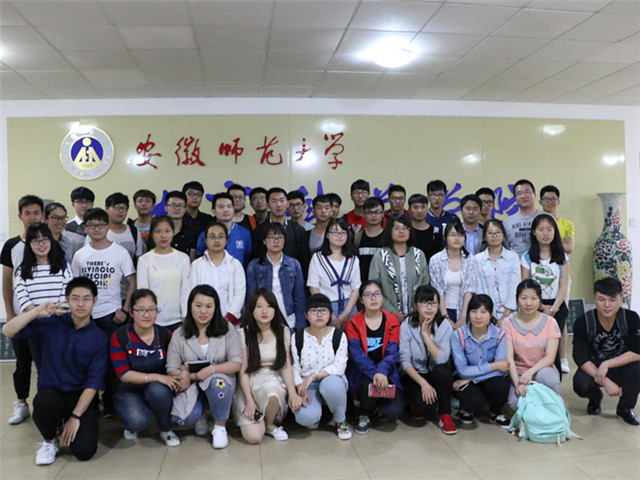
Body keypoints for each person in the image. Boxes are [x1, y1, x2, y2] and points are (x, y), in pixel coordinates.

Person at [2, 277, 108, 465]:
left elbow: (93, 383)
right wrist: (36, 312)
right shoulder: (52, 323)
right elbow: (8, 331)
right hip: (52, 393)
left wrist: (75, 417)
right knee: (44, 403)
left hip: (79, 397)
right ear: (67, 300)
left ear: (95, 301)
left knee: (84, 451)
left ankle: (68, 421)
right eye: (75, 298)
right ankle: (50, 440)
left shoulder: (99, 338)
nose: (80, 304)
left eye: (86, 299)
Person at [72, 207, 136, 417]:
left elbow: (132, 280)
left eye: (100, 224)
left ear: (107, 227)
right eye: (92, 225)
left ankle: (110, 404)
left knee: (112, 362)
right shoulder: (80, 254)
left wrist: (125, 309)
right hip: (85, 317)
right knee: (85, 361)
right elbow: (75, 286)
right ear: (85, 228)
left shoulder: (120, 252)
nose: (96, 228)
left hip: (111, 316)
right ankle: (89, 404)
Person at [166, 285, 243, 448]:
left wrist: (212, 370)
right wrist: (185, 373)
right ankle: (201, 414)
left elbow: (236, 363)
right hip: (190, 385)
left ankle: (220, 427)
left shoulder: (227, 329)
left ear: (216, 308)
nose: (203, 311)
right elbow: (171, 368)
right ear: (190, 306)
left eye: (209, 306)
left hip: (219, 380)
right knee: (183, 419)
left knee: (218, 383)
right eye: (198, 306)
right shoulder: (179, 333)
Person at [110, 289, 181, 446]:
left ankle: (166, 429)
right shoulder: (120, 336)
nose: (147, 315)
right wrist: (156, 376)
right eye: (141, 310)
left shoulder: (165, 334)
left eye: (151, 309)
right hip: (128, 387)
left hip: (156, 387)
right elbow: (123, 373)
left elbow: (178, 361)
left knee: (159, 391)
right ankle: (133, 418)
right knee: (137, 421)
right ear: (131, 312)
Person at [233, 289, 304, 444]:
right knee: (254, 438)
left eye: (269, 306)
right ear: (251, 310)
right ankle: (259, 419)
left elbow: (286, 365)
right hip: (250, 382)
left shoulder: (283, 331)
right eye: (259, 307)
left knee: (272, 392)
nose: (264, 311)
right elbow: (243, 371)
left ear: (275, 309)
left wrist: (292, 392)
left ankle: (270, 424)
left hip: (273, 379)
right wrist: (249, 401)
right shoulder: (242, 334)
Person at [572, 278, 640, 425]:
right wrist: (605, 381)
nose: (607, 305)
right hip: (594, 367)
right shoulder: (583, 322)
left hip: (622, 366)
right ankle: (595, 398)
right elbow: (580, 356)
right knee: (581, 384)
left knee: (638, 370)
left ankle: (625, 407)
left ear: (621, 299)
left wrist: (607, 364)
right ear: (594, 299)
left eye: (612, 300)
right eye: (601, 299)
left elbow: (637, 351)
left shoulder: (631, 318)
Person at [1, 194, 43, 425]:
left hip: (45, 315)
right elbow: (7, 281)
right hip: (20, 316)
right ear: (20, 216)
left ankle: (46, 402)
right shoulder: (12, 245)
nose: (32, 217)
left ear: (42, 215)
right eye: (27, 213)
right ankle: (21, 403)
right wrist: (10, 312)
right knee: (23, 362)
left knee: (46, 362)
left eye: (36, 213)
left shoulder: (48, 242)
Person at [345, 280, 404, 434]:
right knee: (367, 385)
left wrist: (382, 371)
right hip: (363, 373)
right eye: (368, 295)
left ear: (382, 297)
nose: (373, 298)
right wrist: (376, 373)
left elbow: (393, 351)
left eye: (377, 294)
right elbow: (357, 355)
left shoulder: (392, 320)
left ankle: (377, 407)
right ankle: (364, 414)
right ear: (361, 299)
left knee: (393, 412)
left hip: (388, 372)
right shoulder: (352, 322)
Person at [291, 294, 352, 440]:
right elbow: (294, 368)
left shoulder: (338, 335)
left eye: (324, 310)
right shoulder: (298, 337)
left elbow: (339, 367)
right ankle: (317, 413)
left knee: (332, 384)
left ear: (330, 314)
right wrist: (299, 387)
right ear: (306, 315)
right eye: (314, 310)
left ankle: (340, 421)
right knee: (306, 418)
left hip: (332, 381)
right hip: (307, 385)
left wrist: (314, 375)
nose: (319, 314)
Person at [14, 223, 72, 368]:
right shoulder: (22, 271)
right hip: (36, 326)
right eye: (36, 241)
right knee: (42, 368)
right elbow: (23, 299)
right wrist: (38, 313)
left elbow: (68, 294)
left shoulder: (63, 266)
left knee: (63, 366)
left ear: (51, 241)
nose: (41, 244)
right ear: (29, 244)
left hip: (60, 325)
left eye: (45, 239)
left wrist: (54, 312)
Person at [399, 286, 456, 434]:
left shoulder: (444, 325)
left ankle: (445, 414)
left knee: (443, 371)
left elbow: (442, 359)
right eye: (425, 303)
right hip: (416, 374)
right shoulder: (406, 325)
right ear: (415, 305)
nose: (430, 307)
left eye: (434, 303)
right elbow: (405, 361)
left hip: (436, 373)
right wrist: (424, 384)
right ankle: (420, 404)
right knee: (422, 402)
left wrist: (425, 335)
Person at [450, 294, 510, 428]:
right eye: (474, 311)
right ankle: (466, 408)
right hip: (464, 379)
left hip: (477, 379)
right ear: (468, 313)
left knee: (501, 385)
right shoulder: (458, 335)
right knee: (474, 403)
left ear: (491, 314)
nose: (478, 316)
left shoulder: (500, 335)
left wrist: (472, 379)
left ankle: (495, 414)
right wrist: (494, 365)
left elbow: (501, 370)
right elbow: (462, 371)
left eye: (483, 312)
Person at [521, 213, 570, 374]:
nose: (545, 233)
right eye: (541, 229)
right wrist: (541, 307)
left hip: (557, 306)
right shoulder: (527, 257)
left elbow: (563, 285)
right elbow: (525, 285)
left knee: (553, 348)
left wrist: (553, 309)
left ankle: (555, 384)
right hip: (534, 306)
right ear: (534, 232)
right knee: (536, 347)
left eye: (549, 229)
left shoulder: (562, 257)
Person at [502, 279, 561, 410]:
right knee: (516, 403)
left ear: (540, 300)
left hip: (542, 369)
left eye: (533, 298)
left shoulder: (550, 322)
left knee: (548, 379)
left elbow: (550, 357)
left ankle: (553, 403)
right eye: (523, 298)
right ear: (517, 299)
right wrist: (517, 383)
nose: (528, 303)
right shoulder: (508, 323)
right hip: (518, 373)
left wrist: (530, 372)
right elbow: (509, 357)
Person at [370, 214, 430, 323]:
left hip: (417, 315)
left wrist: (418, 308)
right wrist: (392, 311)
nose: (401, 231)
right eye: (397, 228)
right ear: (389, 231)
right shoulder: (380, 256)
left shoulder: (419, 255)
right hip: (387, 316)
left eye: (405, 228)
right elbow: (374, 288)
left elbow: (425, 284)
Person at [246, 223, 306, 331]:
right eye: (272, 238)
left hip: (289, 319)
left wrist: (300, 325)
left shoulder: (294, 264)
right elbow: (251, 298)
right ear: (264, 241)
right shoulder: (254, 265)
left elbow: (299, 298)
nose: (276, 241)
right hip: (263, 319)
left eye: (280, 238)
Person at [136, 215, 191, 331]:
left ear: (173, 232)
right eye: (158, 231)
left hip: (178, 321)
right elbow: (143, 293)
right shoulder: (144, 260)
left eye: (167, 231)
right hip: (153, 321)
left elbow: (186, 290)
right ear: (152, 234)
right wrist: (146, 317)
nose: (163, 236)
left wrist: (186, 316)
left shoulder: (183, 259)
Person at [308, 218, 361, 327]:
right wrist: (329, 313)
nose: (339, 236)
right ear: (327, 235)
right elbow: (313, 287)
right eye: (335, 232)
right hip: (324, 307)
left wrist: (345, 314)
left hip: (349, 307)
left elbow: (356, 288)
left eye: (343, 232)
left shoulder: (353, 259)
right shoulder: (317, 258)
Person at [190, 222, 245, 326]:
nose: (217, 240)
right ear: (205, 240)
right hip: (202, 321)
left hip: (230, 322)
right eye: (212, 237)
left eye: (221, 236)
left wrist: (228, 318)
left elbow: (240, 294)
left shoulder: (235, 264)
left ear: (226, 240)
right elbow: (192, 294)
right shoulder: (196, 265)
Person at [429, 221, 480, 327]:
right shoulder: (436, 260)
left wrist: (463, 317)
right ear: (445, 237)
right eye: (453, 235)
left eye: (460, 235)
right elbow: (438, 290)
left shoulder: (471, 260)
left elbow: (469, 290)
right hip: (443, 309)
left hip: (466, 310)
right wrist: (445, 317)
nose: (457, 238)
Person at [252, 188, 309, 272]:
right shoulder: (258, 231)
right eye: (274, 201)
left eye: (282, 201)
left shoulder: (298, 229)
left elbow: (304, 260)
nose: (279, 205)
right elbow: (255, 259)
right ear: (267, 205)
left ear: (287, 204)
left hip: (292, 275)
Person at [475, 219, 520, 324]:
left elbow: (515, 285)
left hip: (511, 313)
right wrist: (490, 315)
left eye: (498, 232)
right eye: (490, 233)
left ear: (504, 235)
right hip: (486, 314)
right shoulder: (477, 259)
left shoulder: (513, 257)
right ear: (484, 237)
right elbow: (479, 289)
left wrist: (505, 315)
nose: (494, 236)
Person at [195, 192, 252, 266]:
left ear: (233, 209)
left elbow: (247, 258)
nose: (226, 210)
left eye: (229, 206)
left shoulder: (244, 233)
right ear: (214, 211)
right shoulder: (206, 234)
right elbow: (200, 257)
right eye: (221, 207)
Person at [98, 192, 143, 262]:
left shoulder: (134, 232)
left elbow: (139, 260)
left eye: (124, 208)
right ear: (107, 208)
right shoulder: (97, 231)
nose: (121, 211)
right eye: (116, 207)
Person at [503, 179, 541, 256]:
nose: (524, 196)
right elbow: (505, 248)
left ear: (534, 194)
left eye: (527, 192)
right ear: (515, 198)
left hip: (542, 262)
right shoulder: (507, 222)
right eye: (519, 194)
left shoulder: (547, 218)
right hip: (515, 262)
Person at [355, 197, 385, 282]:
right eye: (369, 212)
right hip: (362, 284)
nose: (373, 215)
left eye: (377, 212)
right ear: (364, 214)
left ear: (383, 214)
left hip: (383, 285)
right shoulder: (357, 238)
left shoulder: (389, 237)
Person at [160, 190, 197, 261]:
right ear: (166, 208)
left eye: (180, 205)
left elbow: (191, 260)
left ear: (185, 209)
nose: (177, 208)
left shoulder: (191, 232)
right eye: (173, 205)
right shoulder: (157, 230)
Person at [539, 185, 574, 254]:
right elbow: (535, 246)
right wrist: (560, 242)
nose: (549, 202)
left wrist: (544, 244)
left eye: (553, 199)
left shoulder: (567, 224)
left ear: (558, 201)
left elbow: (569, 248)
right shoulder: (535, 222)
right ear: (540, 202)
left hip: (560, 260)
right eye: (546, 199)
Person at [408, 193, 442, 263]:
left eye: (423, 207)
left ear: (427, 209)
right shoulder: (405, 231)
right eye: (415, 207)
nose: (419, 210)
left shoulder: (435, 232)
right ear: (409, 210)